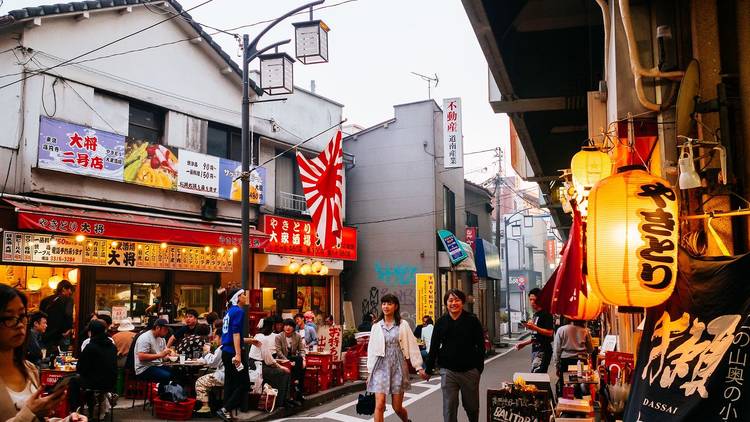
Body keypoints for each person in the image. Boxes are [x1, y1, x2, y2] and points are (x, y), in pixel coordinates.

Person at [0, 284, 86, 422]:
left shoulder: (29, 369)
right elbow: (31, 414)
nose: (20, 324)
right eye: (9, 317)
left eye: (22, 316)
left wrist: (64, 420)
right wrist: (31, 411)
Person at [424, 289, 485, 422]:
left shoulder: (472, 320)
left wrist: (478, 369)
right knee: (449, 408)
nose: (453, 303)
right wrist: (428, 370)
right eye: (450, 300)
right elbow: (433, 347)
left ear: (462, 302)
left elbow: (481, 345)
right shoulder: (441, 322)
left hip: (469, 370)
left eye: (457, 300)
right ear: (446, 303)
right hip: (448, 371)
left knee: (472, 407)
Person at [367, 294, 426, 422]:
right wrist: (370, 372)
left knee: (397, 407)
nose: (386, 306)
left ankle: (406, 421)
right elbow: (371, 350)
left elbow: (412, 345)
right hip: (380, 367)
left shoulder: (402, 324)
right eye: (383, 304)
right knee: (380, 404)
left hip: (398, 366)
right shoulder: (376, 326)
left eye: (389, 304)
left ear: (396, 306)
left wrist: (418, 367)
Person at [216, 289, 250, 422]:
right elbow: (235, 334)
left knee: (229, 383)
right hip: (233, 353)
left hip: (226, 351)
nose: (245, 297)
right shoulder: (238, 311)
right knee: (244, 384)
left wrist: (249, 341)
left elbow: (232, 335)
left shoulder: (229, 312)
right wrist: (238, 355)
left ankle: (227, 413)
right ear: (237, 298)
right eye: (243, 295)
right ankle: (225, 410)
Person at [74, 319, 117, 420]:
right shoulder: (112, 346)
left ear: (91, 332)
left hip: (95, 383)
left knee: (74, 381)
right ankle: (93, 408)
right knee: (87, 382)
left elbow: (80, 368)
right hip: (111, 383)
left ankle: (74, 411)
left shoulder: (90, 347)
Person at [249, 319, 295, 408]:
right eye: (272, 327)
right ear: (268, 328)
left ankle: (284, 399)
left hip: (255, 365)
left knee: (282, 371)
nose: (273, 330)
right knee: (285, 372)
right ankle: (281, 401)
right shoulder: (264, 339)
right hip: (259, 367)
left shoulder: (257, 335)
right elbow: (269, 360)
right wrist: (281, 367)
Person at [515, 288, 554, 373]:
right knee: (536, 376)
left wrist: (534, 327)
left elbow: (550, 333)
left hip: (543, 350)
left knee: (538, 375)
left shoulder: (546, 314)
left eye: (534, 299)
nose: (532, 302)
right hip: (535, 349)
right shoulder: (535, 315)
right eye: (530, 299)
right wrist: (524, 344)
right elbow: (536, 336)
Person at [553, 319, 593, 395]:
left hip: (566, 362)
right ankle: (579, 404)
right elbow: (590, 349)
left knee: (566, 388)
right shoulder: (585, 330)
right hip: (581, 362)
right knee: (580, 387)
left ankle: (567, 404)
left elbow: (556, 350)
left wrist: (557, 365)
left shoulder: (561, 330)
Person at [134, 318, 174, 384]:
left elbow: (163, 357)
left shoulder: (161, 339)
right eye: (165, 329)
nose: (167, 332)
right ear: (158, 328)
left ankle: (172, 392)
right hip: (144, 368)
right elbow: (141, 356)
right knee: (167, 375)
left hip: (157, 365)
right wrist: (161, 355)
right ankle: (162, 393)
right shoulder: (145, 337)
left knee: (176, 373)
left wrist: (170, 356)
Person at [275, 318, 306, 401]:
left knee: (300, 361)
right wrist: (288, 362)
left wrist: (304, 359)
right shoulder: (278, 337)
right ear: (283, 327)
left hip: (293, 358)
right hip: (282, 359)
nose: (288, 327)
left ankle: (298, 388)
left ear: (293, 327)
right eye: (285, 325)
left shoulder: (297, 336)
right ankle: (297, 386)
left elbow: (302, 350)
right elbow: (278, 352)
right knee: (297, 365)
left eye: (290, 326)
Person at [40, 279, 74, 353]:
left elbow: (40, 316)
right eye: (70, 290)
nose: (70, 292)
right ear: (64, 289)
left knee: (47, 355)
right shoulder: (68, 300)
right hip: (62, 334)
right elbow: (68, 314)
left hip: (47, 334)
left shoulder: (45, 300)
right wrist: (69, 329)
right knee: (62, 358)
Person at [194, 332, 224, 414]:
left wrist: (207, 352)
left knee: (200, 381)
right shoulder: (230, 346)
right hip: (230, 376)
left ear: (221, 337)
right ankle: (211, 403)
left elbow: (213, 363)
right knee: (206, 379)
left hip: (223, 376)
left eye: (215, 337)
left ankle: (205, 407)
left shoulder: (221, 348)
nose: (214, 340)